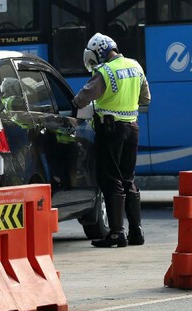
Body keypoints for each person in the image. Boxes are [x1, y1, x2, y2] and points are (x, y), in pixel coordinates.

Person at [72, 33, 151, 247]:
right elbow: (146, 98)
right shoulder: (135, 66)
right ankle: (137, 232)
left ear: (98, 52)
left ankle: (117, 233)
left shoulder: (104, 71)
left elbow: (81, 99)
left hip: (110, 130)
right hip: (132, 129)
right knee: (128, 179)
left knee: (111, 180)